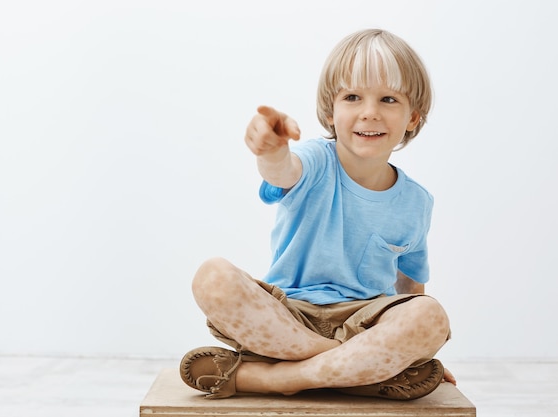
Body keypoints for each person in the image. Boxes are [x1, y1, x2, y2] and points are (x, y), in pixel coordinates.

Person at [179, 28, 455, 401]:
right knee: (212, 276)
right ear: (330, 111)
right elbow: (283, 170)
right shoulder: (314, 161)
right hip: (287, 319)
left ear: (412, 118)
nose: (369, 112)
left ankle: (274, 378)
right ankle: (358, 372)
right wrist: (272, 150)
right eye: (353, 97)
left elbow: (410, 287)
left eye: (388, 99)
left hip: (363, 324)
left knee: (431, 316)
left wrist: (416, 342)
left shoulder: (417, 202)